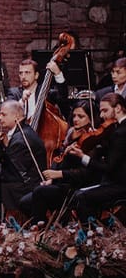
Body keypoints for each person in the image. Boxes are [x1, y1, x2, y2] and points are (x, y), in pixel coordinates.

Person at [20, 101, 103, 223]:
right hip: (61, 184)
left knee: (40, 192)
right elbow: (59, 158)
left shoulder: (93, 140)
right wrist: (51, 178)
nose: (76, 119)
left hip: (77, 187)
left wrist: (60, 174)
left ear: (91, 118)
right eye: (74, 116)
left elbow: (87, 174)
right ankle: (49, 227)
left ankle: (38, 229)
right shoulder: (70, 135)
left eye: (81, 116)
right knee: (24, 202)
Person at [71, 93, 126, 222]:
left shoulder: (121, 132)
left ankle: (91, 234)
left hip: (120, 184)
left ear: (117, 108)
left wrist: (83, 156)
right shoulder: (116, 129)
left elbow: (109, 167)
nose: (101, 116)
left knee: (82, 197)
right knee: (79, 193)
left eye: (105, 110)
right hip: (115, 181)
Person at [0, 99, 47, 220]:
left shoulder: (21, 139)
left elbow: (14, 172)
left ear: (16, 116)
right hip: (25, 182)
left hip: (25, 188)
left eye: (4, 114)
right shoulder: (23, 131)